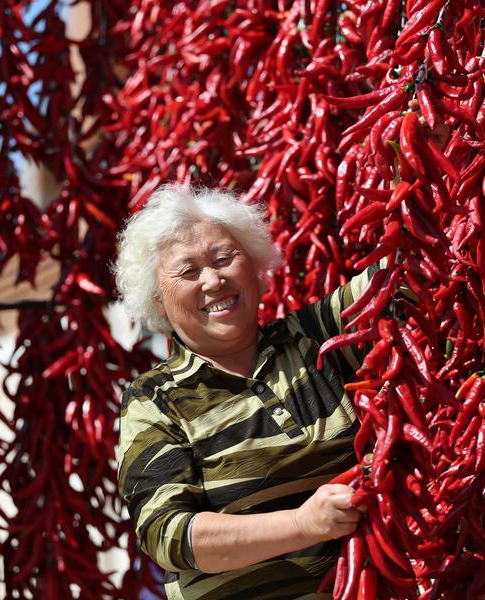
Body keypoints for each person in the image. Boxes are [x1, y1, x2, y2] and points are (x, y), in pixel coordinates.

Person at [114, 184, 376, 600]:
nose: (214, 280)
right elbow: (167, 534)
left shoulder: (313, 338)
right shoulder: (156, 401)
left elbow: (405, 274)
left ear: (255, 266)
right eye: (188, 271)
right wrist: (302, 524)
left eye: (225, 258)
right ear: (159, 301)